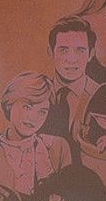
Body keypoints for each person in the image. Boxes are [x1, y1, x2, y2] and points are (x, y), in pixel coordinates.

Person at [0, 71, 72, 197]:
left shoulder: (58, 147)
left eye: (42, 111)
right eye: (27, 107)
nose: (33, 118)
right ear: (9, 104)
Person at [40, 16, 102, 153]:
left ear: (91, 54)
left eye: (80, 50)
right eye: (63, 50)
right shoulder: (37, 95)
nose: (71, 59)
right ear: (50, 52)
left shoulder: (102, 96)